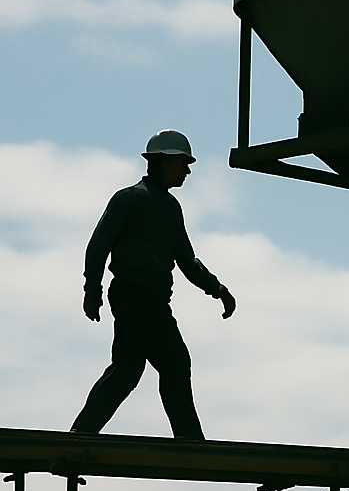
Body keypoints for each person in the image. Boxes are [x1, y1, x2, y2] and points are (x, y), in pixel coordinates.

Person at [71, 130, 236, 440]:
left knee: (173, 365)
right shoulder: (129, 199)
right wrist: (91, 291)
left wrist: (218, 289)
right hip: (131, 296)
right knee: (129, 370)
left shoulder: (171, 209)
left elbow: (188, 261)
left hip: (156, 303)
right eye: (183, 163)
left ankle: (189, 443)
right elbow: (98, 247)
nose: (187, 170)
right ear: (164, 162)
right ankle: (81, 435)